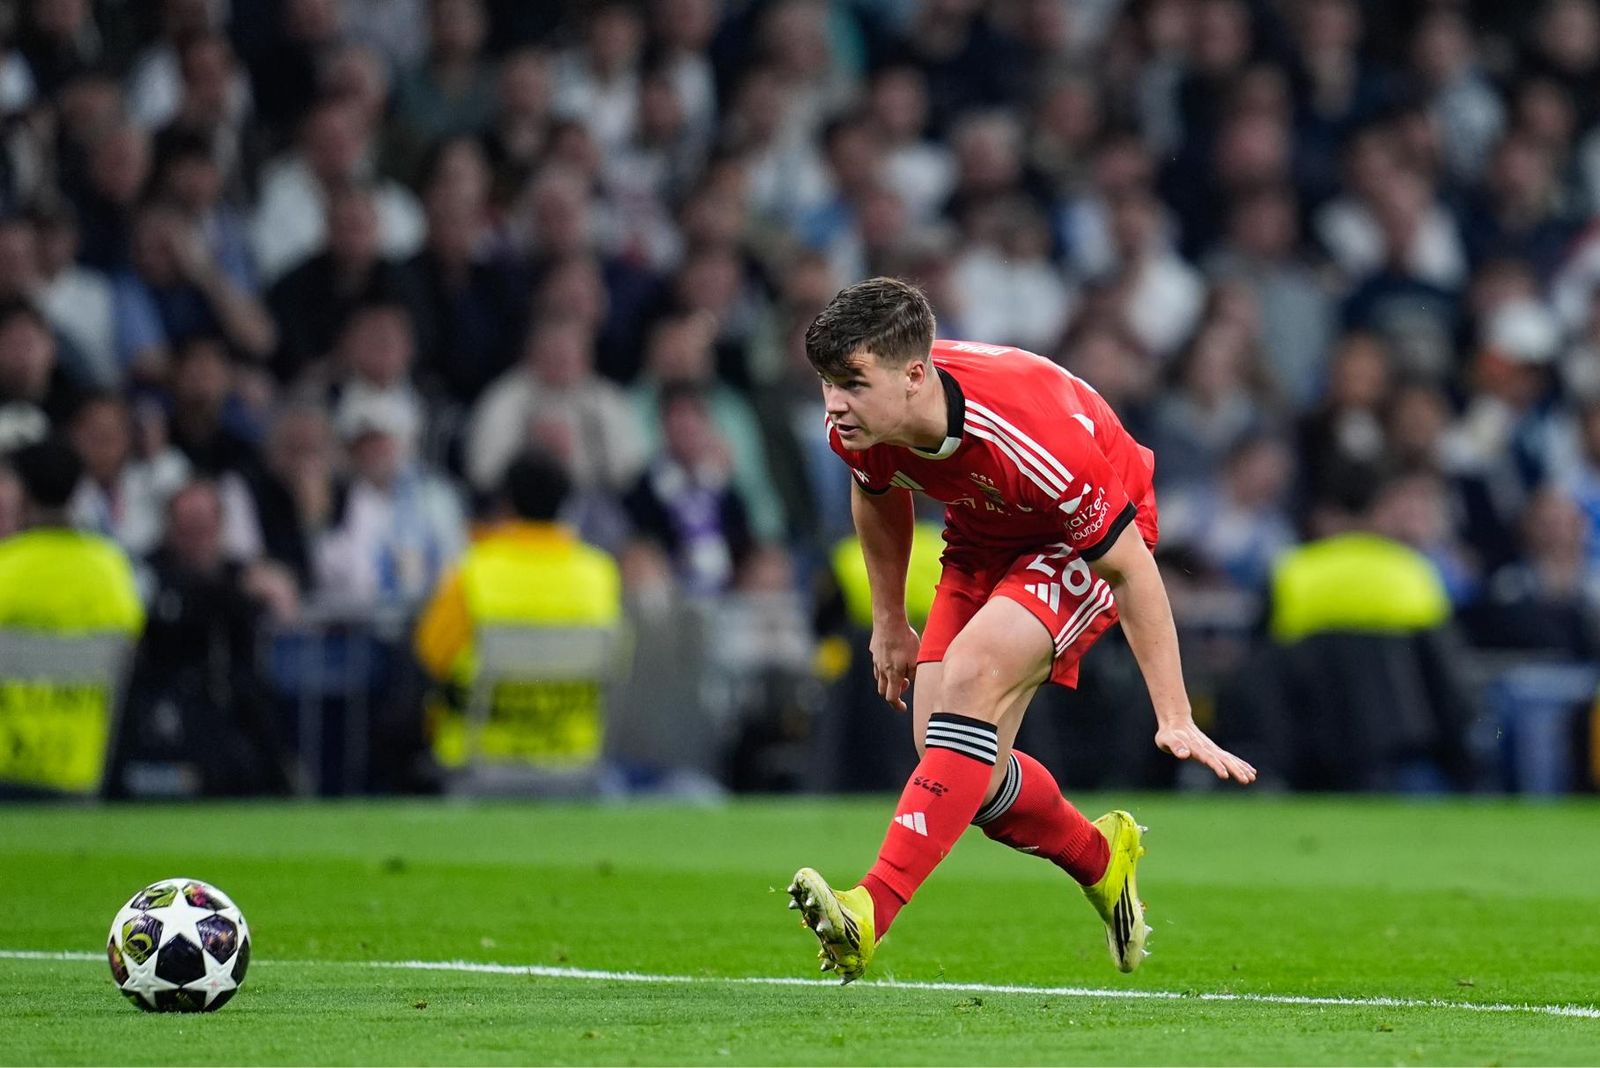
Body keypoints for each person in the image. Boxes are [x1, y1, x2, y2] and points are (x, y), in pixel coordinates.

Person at [786, 277, 1255, 984]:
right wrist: (889, 620)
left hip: (1089, 535)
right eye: (826, 383)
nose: (833, 404)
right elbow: (875, 494)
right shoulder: (861, 425)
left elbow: (1132, 570)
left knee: (973, 679)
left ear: (915, 376)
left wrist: (1176, 713)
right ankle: (1102, 858)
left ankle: (868, 912)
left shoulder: (1031, 435)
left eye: (851, 382)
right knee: (949, 761)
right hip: (983, 536)